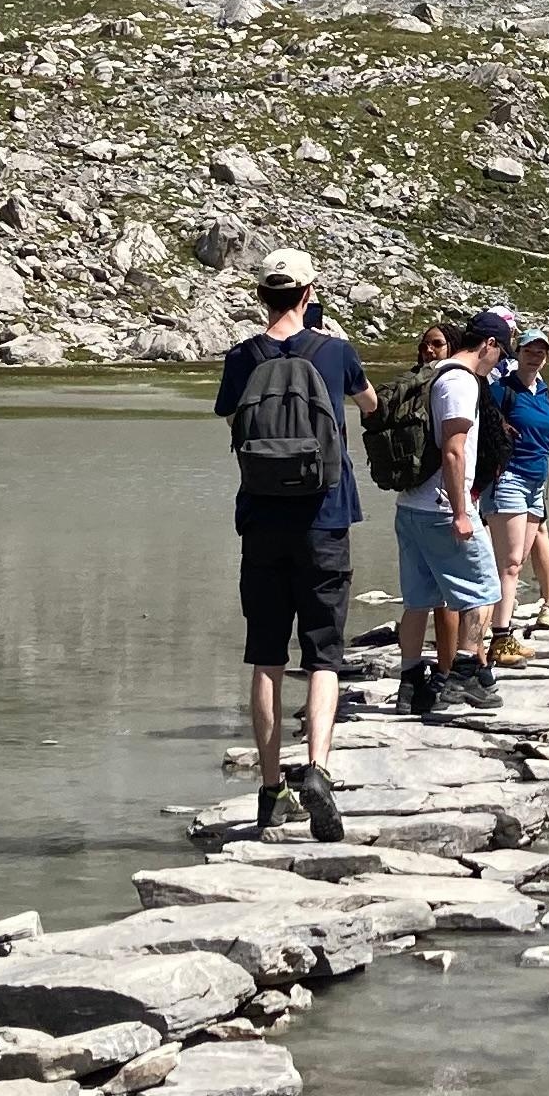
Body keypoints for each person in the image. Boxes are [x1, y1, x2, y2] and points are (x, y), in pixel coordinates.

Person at [212, 249, 370, 840]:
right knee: (324, 652)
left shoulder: (241, 357)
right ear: (310, 293)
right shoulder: (334, 352)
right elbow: (370, 404)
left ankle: (270, 788)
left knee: (266, 655)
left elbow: (232, 421)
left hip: (261, 521)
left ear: (262, 298)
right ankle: (319, 769)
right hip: (325, 518)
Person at [394, 309, 509, 708]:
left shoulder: (430, 375)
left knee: (419, 599)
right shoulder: (459, 381)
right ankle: (462, 673)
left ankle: (409, 686)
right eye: (500, 352)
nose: (499, 362)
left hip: (410, 505)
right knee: (485, 590)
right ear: (488, 345)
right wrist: (461, 511)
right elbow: (455, 450)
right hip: (443, 508)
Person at [481, 330, 549, 660]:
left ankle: (498, 633)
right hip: (508, 481)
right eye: (530, 349)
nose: (535, 356)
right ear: (518, 352)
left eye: (541, 351)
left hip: (535, 484)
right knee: (510, 562)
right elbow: (482, 433)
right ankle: (497, 638)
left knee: (516, 561)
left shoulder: (544, 393)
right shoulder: (501, 390)